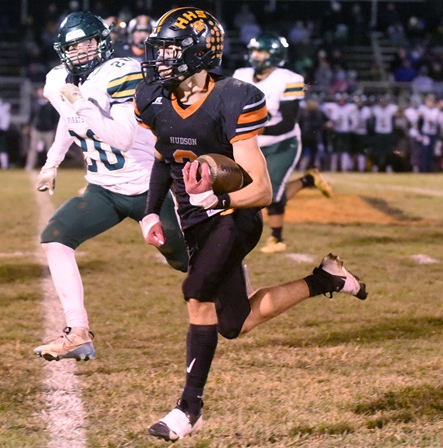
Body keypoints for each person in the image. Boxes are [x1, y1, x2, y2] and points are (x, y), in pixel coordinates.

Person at [135, 7, 368, 442]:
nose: (158, 60)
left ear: (199, 53)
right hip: (195, 223)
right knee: (233, 324)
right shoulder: (151, 98)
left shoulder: (233, 97)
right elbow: (164, 158)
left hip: (234, 216)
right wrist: (150, 210)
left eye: (169, 51)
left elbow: (260, 190)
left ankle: (189, 407)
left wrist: (218, 196)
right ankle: (325, 280)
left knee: (196, 292)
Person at [32, 10, 188, 361]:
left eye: (86, 43)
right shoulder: (58, 80)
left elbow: (122, 138)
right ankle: (78, 332)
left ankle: (235, 280)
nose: (80, 52)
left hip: (149, 188)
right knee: (55, 237)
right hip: (103, 188)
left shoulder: (122, 74)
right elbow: (67, 120)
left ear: (101, 44)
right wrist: (52, 163)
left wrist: (83, 104)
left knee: (186, 262)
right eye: (72, 46)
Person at [233, 32, 332, 254]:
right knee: (245, 186)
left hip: (282, 143)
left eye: (261, 51)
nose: (255, 55)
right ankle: (308, 180)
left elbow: (287, 123)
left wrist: (252, 128)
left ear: (274, 54)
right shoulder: (241, 74)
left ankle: (276, 239)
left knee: (271, 192)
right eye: (254, 50)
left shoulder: (290, 79)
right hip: (251, 143)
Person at [24, 86, 58, 171]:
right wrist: (28, 126)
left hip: (48, 130)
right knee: (33, 149)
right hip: (37, 129)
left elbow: (55, 118)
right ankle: (29, 166)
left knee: (50, 150)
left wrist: (56, 128)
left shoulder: (51, 104)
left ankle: (51, 166)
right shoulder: (35, 104)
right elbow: (31, 116)